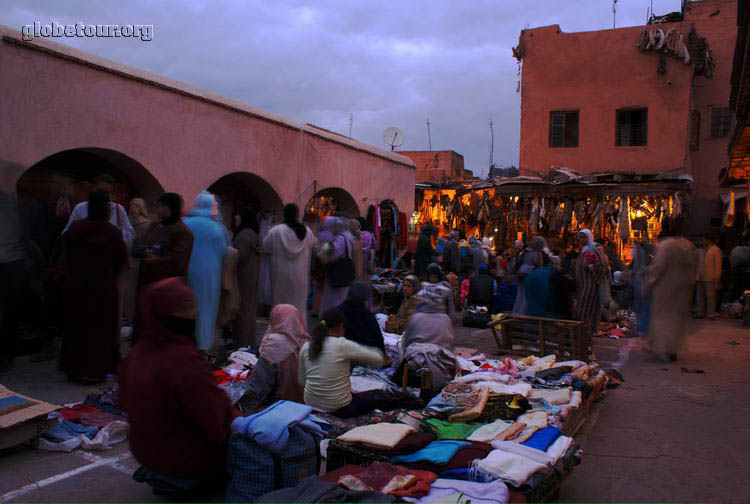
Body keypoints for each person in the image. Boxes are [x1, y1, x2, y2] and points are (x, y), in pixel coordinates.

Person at [119, 277, 238, 494]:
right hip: (183, 459)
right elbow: (213, 419)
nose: (195, 313)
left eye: (193, 306)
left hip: (144, 452)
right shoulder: (183, 361)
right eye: (186, 308)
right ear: (165, 314)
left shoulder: (138, 353)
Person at [60, 190, 127, 383]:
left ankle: (75, 369)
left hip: (77, 285)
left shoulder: (76, 229)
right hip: (103, 287)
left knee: (78, 326)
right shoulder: (112, 232)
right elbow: (120, 259)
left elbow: (65, 249)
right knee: (100, 328)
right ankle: (95, 370)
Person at [298, 308, 388, 417]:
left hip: (311, 406)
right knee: (378, 395)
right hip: (339, 409)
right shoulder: (342, 345)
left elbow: (302, 381)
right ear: (340, 327)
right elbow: (378, 358)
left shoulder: (306, 346)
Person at [182, 191, 229, 352]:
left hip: (189, 271)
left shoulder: (187, 222)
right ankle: (203, 345)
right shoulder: (217, 227)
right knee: (207, 310)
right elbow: (224, 251)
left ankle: (186, 343)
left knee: (187, 307)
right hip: (211, 275)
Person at [240, 304, 309, 411]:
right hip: (306, 403)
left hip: (279, 403)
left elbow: (260, 383)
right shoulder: (307, 341)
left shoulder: (274, 344)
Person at [646, 230, 697, 362]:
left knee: (662, 317)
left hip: (665, 288)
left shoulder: (666, 246)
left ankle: (662, 347)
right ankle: (673, 349)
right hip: (683, 289)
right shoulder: (689, 246)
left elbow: (659, 267)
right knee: (677, 319)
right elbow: (695, 268)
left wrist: (650, 283)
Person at [263, 204, 317, 324]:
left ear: (284, 214)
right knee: (298, 307)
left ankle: (280, 333)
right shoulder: (307, 232)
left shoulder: (276, 231)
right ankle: (298, 334)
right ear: (297, 215)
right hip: (301, 276)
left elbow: (265, 248)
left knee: (280, 307)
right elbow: (316, 247)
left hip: (280, 276)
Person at [62, 173, 135, 249]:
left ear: (111, 194)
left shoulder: (118, 209)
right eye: (100, 191)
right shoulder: (81, 208)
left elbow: (131, 234)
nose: (103, 195)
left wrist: (117, 231)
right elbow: (66, 233)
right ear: (94, 189)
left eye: (107, 192)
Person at [137, 193, 194, 286]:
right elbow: (143, 240)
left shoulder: (183, 232)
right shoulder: (155, 225)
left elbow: (179, 261)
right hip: (147, 279)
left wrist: (156, 259)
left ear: (170, 208)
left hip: (167, 285)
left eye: (161, 206)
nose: (157, 209)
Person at [232, 207, 261, 347]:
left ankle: (241, 343)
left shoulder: (244, 235)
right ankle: (248, 342)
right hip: (251, 275)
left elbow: (240, 256)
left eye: (238, 214)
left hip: (243, 276)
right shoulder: (253, 233)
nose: (236, 217)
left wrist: (227, 250)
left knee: (242, 310)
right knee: (248, 310)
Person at [573, 230, 609, 339]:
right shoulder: (583, 251)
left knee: (586, 311)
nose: (581, 240)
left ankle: (585, 337)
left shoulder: (595, 247)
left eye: (584, 237)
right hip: (582, 286)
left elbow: (603, 264)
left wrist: (594, 270)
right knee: (582, 311)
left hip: (590, 287)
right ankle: (583, 337)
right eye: (579, 237)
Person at [123, 198, 153, 323]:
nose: (131, 208)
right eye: (130, 205)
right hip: (127, 260)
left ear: (140, 208)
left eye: (134, 205)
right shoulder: (127, 222)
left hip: (138, 260)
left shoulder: (147, 224)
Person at [319, 218, 355, 315]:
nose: (333, 229)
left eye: (335, 227)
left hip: (337, 274)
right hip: (345, 273)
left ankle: (334, 321)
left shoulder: (341, 239)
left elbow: (331, 254)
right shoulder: (349, 238)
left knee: (334, 301)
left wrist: (323, 249)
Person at [337, 281, 384, 350]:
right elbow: (379, 340)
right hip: (363, 354)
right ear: (365, 297)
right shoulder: (368, 316)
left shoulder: (337, 311)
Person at [512, 236, 547, 315]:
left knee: (525, 296)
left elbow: (539, 265)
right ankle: (522, 314)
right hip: (527, 276)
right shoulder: (527, 252)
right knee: (523, 296)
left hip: (531, 276)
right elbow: (519, 263)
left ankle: (524, 313)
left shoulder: (535, 253)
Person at [695, 236, 722, 320]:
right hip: (700, 276)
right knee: (699, 296)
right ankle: (701, 312)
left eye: (703, 239)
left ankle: (711, 313)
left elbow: (718, 265)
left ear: (708, 240)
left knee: (710, 296)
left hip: (710, 276)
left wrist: (717, 277)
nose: (701, 241)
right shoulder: (700, 250)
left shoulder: (716, 249)